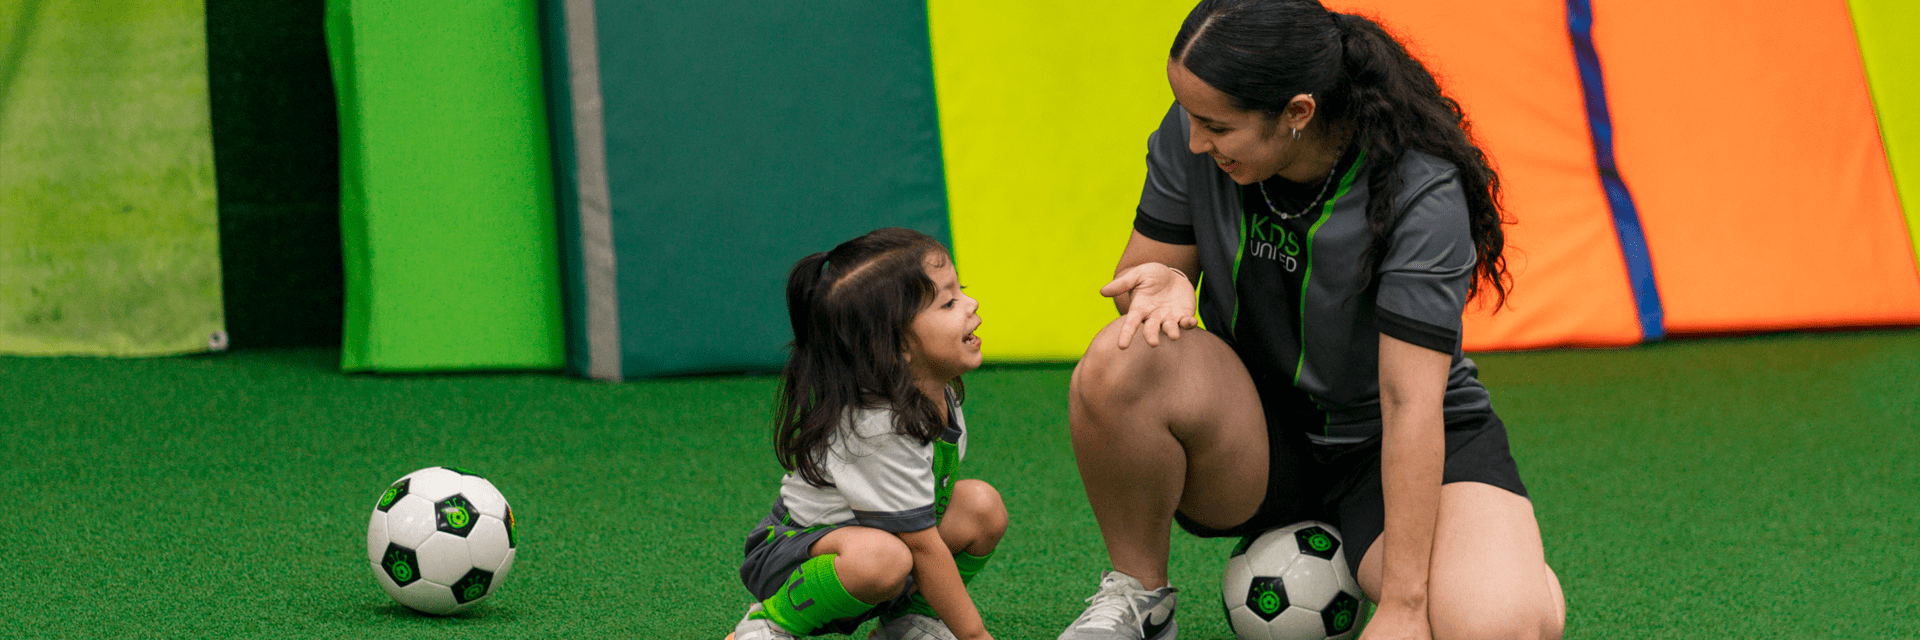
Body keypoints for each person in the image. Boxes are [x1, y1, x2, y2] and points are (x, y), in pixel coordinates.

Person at [1056, 1, 1565, 639]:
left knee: (1497, 627)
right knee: (1117, 361)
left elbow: (1410, 401)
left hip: (1389, 441)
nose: (1194, 139)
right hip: (1257, 438)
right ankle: (1142, 598)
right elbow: (1140, 292)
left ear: (1298, 113)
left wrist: (1404, 610)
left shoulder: (1421, 191)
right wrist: (1170, 281)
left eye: (1216, 124)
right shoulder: (1197, 137)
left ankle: (1503, 571)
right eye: (1188, 115)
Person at [730, 228, 1007, 640]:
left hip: (883, 547)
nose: (972, 304)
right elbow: (921, 547)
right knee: (884, 557)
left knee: (981, 506)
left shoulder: (934, 387)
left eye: (961, 290)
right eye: (949, 302)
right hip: (795, 554)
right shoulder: (877, 426)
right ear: (898, 347)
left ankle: (910, 622)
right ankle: (770, 622)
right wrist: (976, 635)